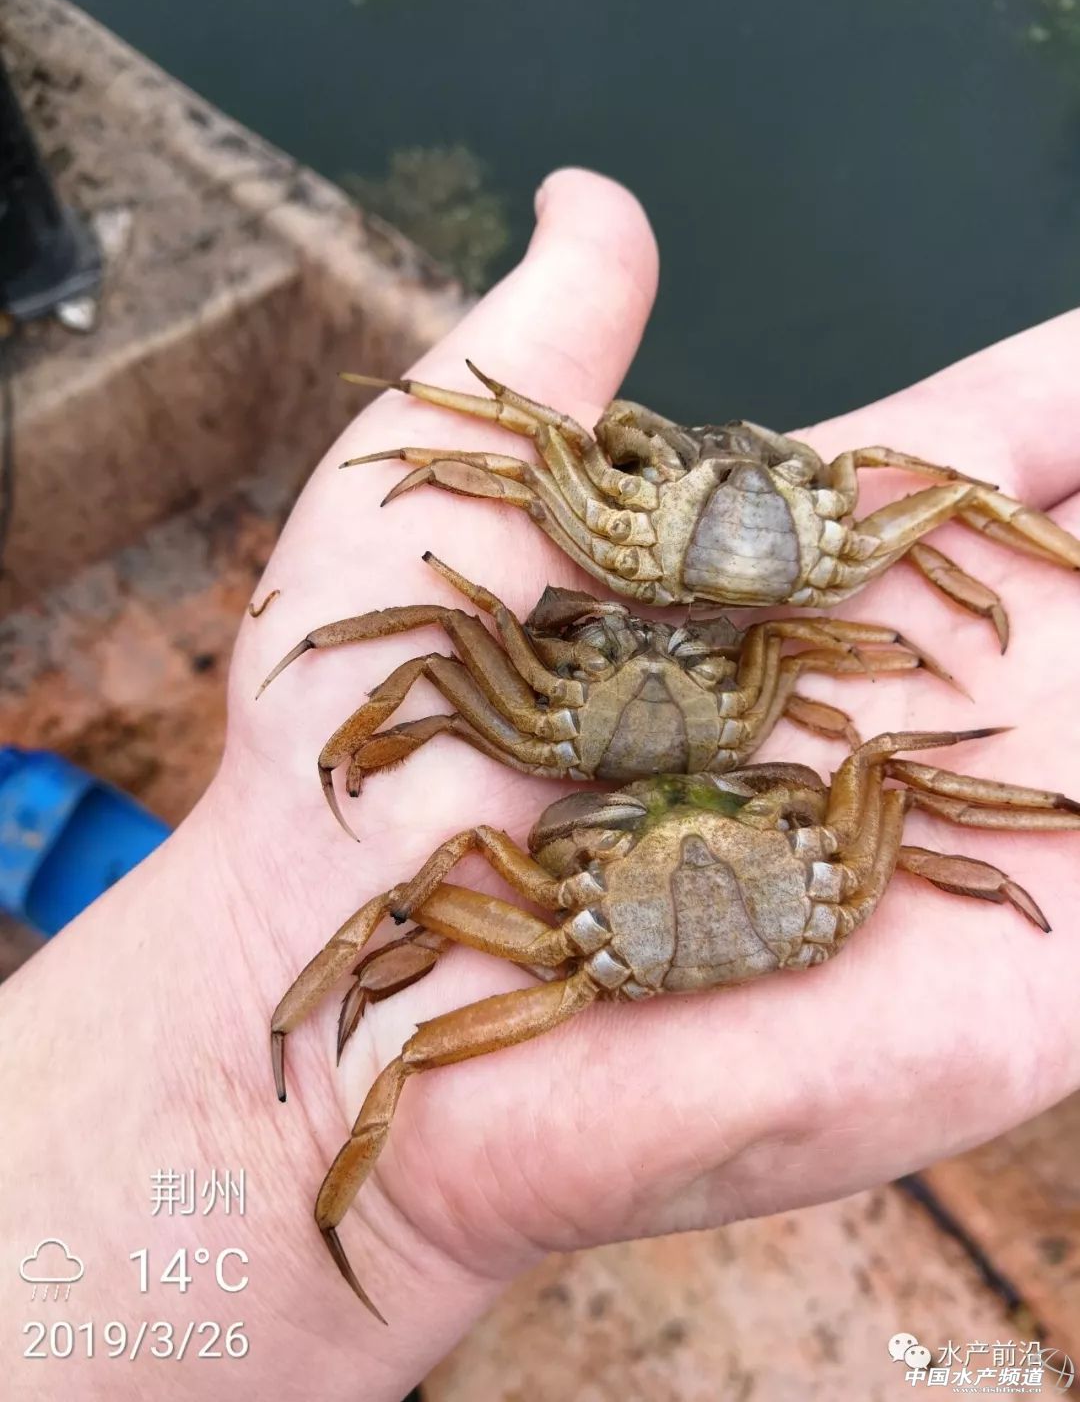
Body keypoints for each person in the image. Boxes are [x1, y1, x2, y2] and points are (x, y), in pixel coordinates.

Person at [2, 168, 1079, 1401]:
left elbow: (869, 747)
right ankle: (313, 1134)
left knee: (879, 765)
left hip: (652, 827)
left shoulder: (769, 716)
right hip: (640, 816)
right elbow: (456, 634)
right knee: (437, 876)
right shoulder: (729, 797)